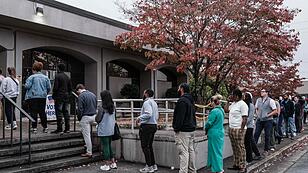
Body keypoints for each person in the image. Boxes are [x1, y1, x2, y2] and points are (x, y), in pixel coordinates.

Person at [172, 83, 196, 173]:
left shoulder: (182, 101)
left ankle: (183, 171)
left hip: (183, 131)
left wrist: (176, 128)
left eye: (179, 88)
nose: (178, 90)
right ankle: (192, 170)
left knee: (183, 152)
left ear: (181, 89)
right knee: (191, 150)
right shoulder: (191, 100)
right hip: (191, 129)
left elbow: (180, 117)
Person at [225, 89, 248, 173]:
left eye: (233, 95)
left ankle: (243, 166)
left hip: (239, 128)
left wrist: (241, 129)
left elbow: (245, 118)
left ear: (237, 96)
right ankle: (236, 164)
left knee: (240, 147)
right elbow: (226, 110)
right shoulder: (234, 104)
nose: (232, 96)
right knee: (234, 147)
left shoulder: (243, 105)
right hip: (232, 128)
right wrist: (228, 101)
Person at [25, 62, 51, 133]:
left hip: (33, 97)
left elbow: (27, 86)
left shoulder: (31, 77)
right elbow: (49, 87)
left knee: (33, 112)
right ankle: (45, 127)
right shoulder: (46, 77)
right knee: (42, 112)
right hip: (42, 96)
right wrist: (45, 93)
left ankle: (34, 128)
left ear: (34, 69)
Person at [136, 89, 159, 173]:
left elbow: (148, 113)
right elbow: (156, 115)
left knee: (145, 146)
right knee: (149, 146)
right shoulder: (154, 102)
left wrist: (139, 118)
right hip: (153, 125)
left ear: (146, 94)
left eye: (144, 92)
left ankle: (149, 166)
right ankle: (153, 165)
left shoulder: (146, 102)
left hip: (147, 126)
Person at [97, 90, 117, 171]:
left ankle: (107, 164)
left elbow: (98, 118)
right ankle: (113, 163)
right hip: (111, 129)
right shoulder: (113, 106)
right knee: (109, 146)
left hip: (103, 129)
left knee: (105, 147)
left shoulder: (102, 107)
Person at [204, 94, 225, 173]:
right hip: (220, 132)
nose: (210, 104)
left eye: (211, 102)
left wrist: (205, 129)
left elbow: (209, 123)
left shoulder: (214, 111)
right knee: (218, 151)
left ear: (213, 102)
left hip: (214, 133)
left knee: (214, 151)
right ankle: (217, 168)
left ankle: (218, 169)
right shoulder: (221, 110)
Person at [254, 89, 277, 156]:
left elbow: (275, 111)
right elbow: (256, 108)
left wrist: (268, 115)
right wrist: (257, 114)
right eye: (261, 91)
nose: (261, 93)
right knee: (256, 134)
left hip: (268, 120)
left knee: (267, 135)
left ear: (267, 93)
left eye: (263, 91)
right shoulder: (259, 100)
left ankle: (266, 150)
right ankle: (254, 150)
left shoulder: (271, 101)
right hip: (260, 120)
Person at [76, 84, 97, 158]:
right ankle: (87, 145)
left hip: (85, 117)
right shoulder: (93, 94)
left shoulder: (81, 96)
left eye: (77, 91)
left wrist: (79, 118)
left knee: (87, 135)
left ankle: (89, 152)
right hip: (94, 116)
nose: (78, 93)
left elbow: (80, 109)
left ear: (79, 89)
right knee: (87, 133)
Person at [51, 63, 72, 134]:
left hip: (59, 96)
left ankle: (59, 128)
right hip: (66, 97)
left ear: (58, 68)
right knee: (66, 112)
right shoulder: (67, 77)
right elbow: (70, 88)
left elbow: (55, 87)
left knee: (58, 112)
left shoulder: (57, 76)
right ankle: (67, 128)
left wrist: (54, 95)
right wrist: (68, 95)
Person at [243, 92, 261, 163]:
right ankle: (257, 154)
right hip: (246, 126)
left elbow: (250, 117)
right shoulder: (244, 105)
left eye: (245, 96)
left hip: (249, 126)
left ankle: (250, 157)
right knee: (251, 141)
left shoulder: (251, 105)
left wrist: (243, 123)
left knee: (248, 142)